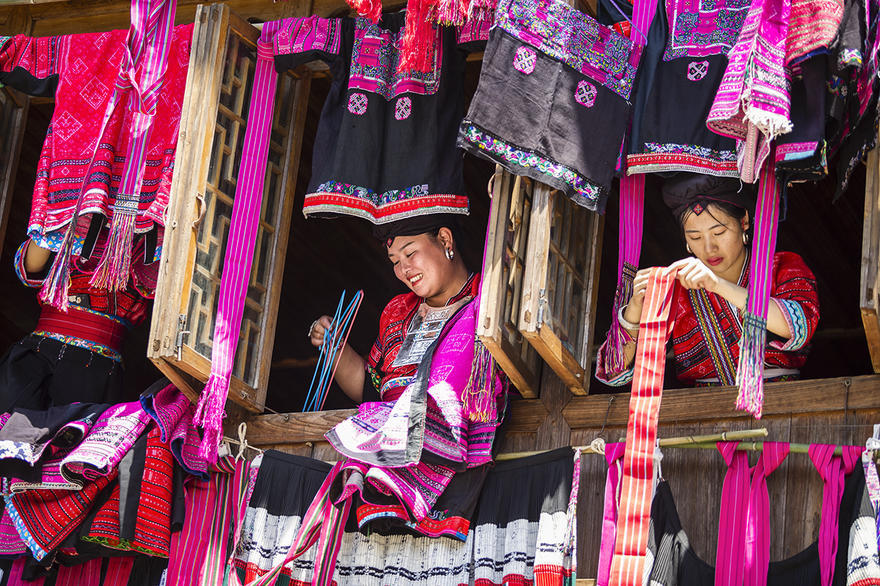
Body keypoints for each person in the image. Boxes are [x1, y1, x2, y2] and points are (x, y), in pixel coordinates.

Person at [597, 173, 820, 387]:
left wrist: (718, 285)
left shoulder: (781, 267)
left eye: (719, 232)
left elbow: (799, 329)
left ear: (743, 222)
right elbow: (613, 372)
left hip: (782, 404)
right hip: (705, 413)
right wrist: (634, 311)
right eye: (695, 237)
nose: (709, 248)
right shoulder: (676, 290)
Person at [308, 215, 477, 404]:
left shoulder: (486, 302)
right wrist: (335, 347)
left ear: (445, 240)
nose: (404, 269)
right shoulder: (396, 311)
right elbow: (372, 390)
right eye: (395, 262)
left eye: (410, 253)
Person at [0, 234, 156, 412]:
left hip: (96, 366)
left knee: (68, 436)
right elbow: (30, 267)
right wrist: (61, 215)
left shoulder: (150, 230)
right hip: (38, 352)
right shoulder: (71, 216)